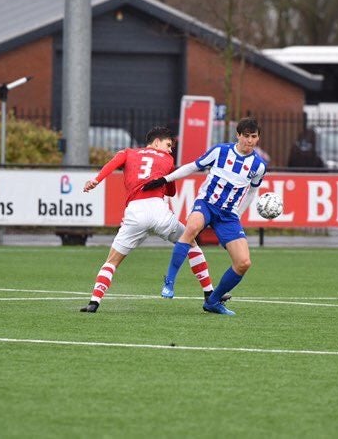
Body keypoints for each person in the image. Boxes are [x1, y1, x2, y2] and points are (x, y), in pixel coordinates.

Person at [79, 126, 228, 313]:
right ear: (156, 142)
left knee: (112, 261)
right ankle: (209, 293)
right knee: (191, 244)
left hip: (135, 214)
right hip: (159, 212)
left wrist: (96, 180)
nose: (170, 149)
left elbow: (113, 164)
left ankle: (94, 302)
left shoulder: (128, 152)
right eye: (168, 144)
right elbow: (171, 192)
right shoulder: (167, 159)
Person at [142, 117, 266, 316]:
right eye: (246, 136)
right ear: (238, 135)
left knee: (243, 263)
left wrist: (238, 213)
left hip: (228, 215)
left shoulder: (258, 166)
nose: (249, 141)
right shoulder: (220, 151)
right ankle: (170, 281)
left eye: (254, 137)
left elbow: (252, 191)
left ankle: (213, 301)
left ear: (258, 137)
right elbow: (192, 166)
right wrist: (165, 179)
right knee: (191, 229)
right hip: (207, 204)